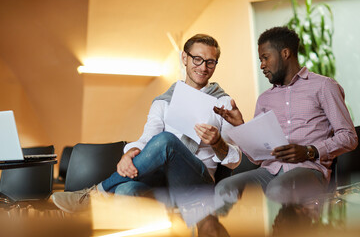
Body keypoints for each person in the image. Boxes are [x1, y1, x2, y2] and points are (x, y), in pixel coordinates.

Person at [52, 34, 241, 214]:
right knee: (125, 190)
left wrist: (218, 143)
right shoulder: (163, 102)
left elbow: (235, 160)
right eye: (197, 59)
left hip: (197, 184)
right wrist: (129, 154)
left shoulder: (223, 103)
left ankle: (96, 193)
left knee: (167, 140)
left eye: (210, 62)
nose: (203, 67)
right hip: (159, 181)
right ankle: (105, 197)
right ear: (184, 58)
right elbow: (147, 140)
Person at [214, 26, 358, 204]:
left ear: (285, 53)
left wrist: (309, 151)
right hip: (270, 171)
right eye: (260, 60)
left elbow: (349, 137)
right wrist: (241, 126)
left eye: (265, 58)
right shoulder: (264, 99)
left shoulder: (324, 86)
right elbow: (256, 157)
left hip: (309, 171)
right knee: (224, 188)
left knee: (279, 188)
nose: (262, 65)